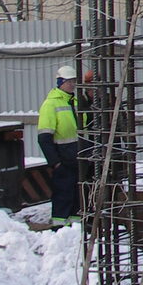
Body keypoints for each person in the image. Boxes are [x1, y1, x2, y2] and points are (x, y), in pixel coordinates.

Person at [37, 64, 85, 227]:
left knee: (77, 196)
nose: (72, 84)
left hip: (77, 158)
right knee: (63, 195)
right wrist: (55, 163)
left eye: (74, 81)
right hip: (63, 161)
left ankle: (75, 228)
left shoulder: (75, 102)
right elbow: (44, 138)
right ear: (60, 82)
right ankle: (59, 228)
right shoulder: (50, 105)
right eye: (68, 81)